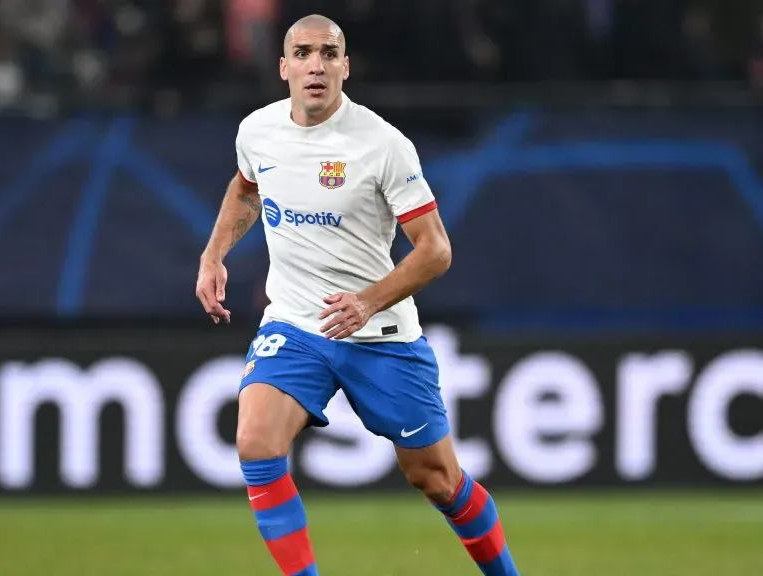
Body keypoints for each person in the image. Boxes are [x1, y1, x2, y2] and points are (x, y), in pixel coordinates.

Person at [195, 14, 521, 576]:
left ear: (345, 67)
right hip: (296, 325)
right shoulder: (258, 131)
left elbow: (435, 250)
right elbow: (246, 188)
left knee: (438, 480)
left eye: (327, 53)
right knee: (254, 441)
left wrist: (368, 301)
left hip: (380, 335)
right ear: (283, 67)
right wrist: (213, 253)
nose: (315, 65)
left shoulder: (382, 145)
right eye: (302, 53)